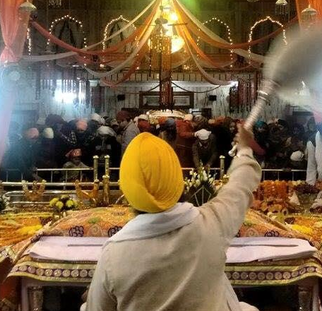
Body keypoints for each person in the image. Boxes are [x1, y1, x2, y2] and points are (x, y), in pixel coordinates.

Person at [84, 127, 261, 311]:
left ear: (127, 188)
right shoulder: (212, 223)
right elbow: (240, 185)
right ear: (177, 178)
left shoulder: (113, 255)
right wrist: (245, 149)